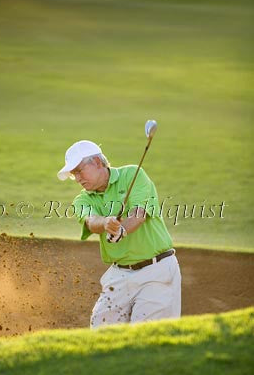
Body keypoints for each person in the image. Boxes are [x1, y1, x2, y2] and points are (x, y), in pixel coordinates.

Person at [57, 140, 181, 328]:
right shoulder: (82, 199)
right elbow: (90, 221)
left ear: (98, 162)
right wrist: (106, 223)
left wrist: (122, 230)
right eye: (74, 175)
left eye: (80, 170)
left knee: (146, 335)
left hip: (156, 270)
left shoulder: (133, 174)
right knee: (100, 329)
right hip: (119, 274)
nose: (78, 178)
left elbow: (139, 214)